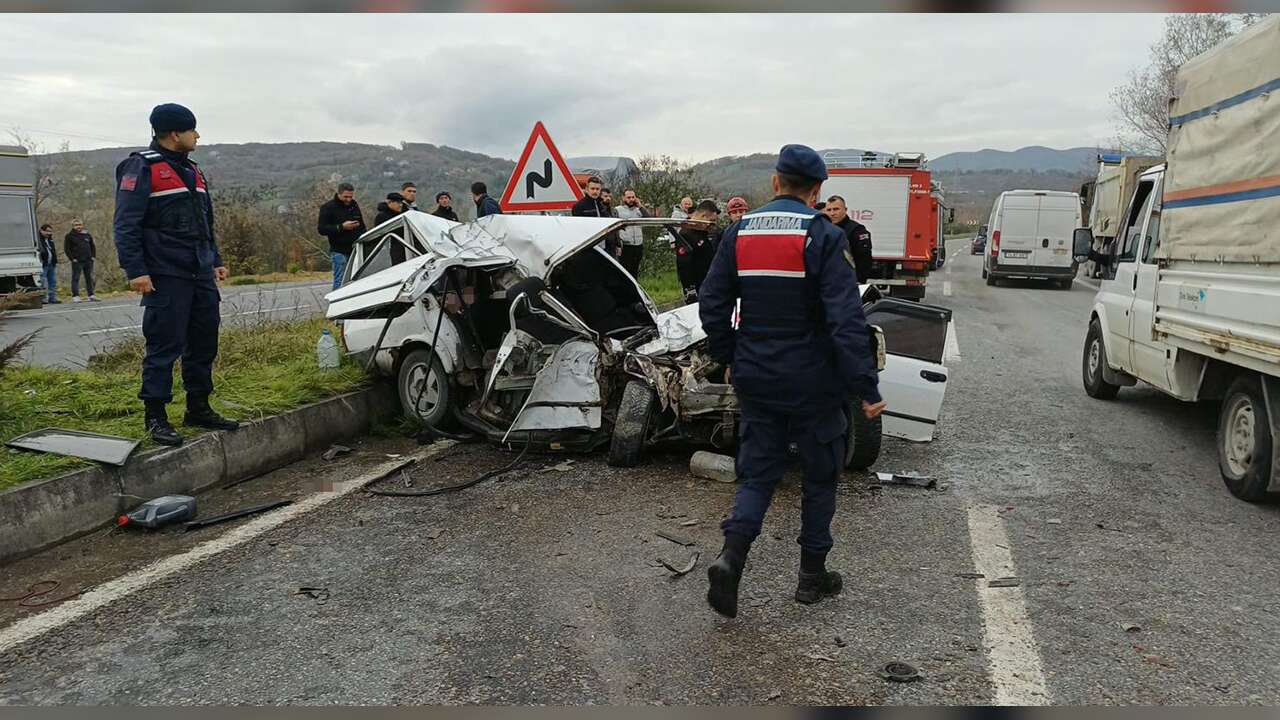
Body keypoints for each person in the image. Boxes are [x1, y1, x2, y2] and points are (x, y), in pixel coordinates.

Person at [698, 144, 886, 618]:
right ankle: (810, 578)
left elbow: (712, 304)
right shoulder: (823, 236)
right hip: (814, 382)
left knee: (758, 472)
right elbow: (846, 320)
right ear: (817, 190)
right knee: (821, 476)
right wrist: (866, 386)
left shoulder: (739, 232)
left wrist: (731, 355)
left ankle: (731, 558)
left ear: (776, 182)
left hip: (757, 375)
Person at [114, 102, 239, 446]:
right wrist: (135, 270)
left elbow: (205, 221)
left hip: (199, 272)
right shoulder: (140, 167)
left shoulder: (193, 170)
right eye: (192, 130)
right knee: (164, 346)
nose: (197, 135)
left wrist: (215, 258)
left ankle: (198, 407)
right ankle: (156, 416)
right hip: (165, 273)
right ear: (174, 133)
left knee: (204, 342)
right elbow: (126, 224)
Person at [317, 182, 366, 290]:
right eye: (345, 197)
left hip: (355, 250)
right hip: (339, 251)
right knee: (340, 280)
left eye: (350, 197)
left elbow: (362, 226)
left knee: (354, 281)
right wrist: (341, 227)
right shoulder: (328, 208)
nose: (348, 199)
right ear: (338, 194)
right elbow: (322, 229)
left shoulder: (354, 205)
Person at [674, 199, 720, 303]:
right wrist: (690, 290)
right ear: (703, 217)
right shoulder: (686, 234)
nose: (711, 225)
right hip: (698, 285)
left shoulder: (704, 232)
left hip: (711, 282)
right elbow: (684, 265)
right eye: (711, 221)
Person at [823, 195, 874, 283]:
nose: (832, 213)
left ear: (845, 210)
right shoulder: (823, 229)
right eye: (829, 210)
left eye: (836, 209)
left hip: (847, 281)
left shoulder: (856, 230)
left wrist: (859, 281)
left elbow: (864, 260)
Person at [613, 188, 649, 277]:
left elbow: (648, 219)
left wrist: (640, 206)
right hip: (625, 245)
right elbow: (614, 229)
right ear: (623, 198)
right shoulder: (617, 210)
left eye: (633, 197)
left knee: (635, 270)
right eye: (628, 197)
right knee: (625, 272)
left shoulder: (638, 210)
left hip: (638, 244)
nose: (631, 199)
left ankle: (634, 289)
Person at [64, 218, 98, 302]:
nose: (78, 226)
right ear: (73, 226)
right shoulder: (69, 236)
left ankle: (91, 295)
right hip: (77, 260)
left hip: (88, 260)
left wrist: (93, 256)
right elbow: (67, 249)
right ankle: (75, 296)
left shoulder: (87, 235)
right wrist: (72, 259)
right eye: (76, 225)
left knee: (89, 278)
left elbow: (92, 246)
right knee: (75, 278)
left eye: (79, 225)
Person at [37, 224, 59, 304]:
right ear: (41, 230)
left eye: (50, 231)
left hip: (51, 264)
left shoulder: (50, 240)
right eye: (47, 231)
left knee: (52, 281)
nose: (49, 233)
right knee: (42, 281)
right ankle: (43, 298)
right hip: (44, 264)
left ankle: (52, 298)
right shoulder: (38, 239)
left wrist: (55, 261)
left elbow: (53, 251)